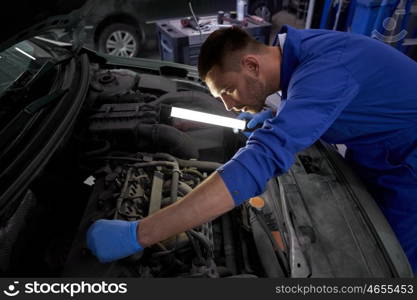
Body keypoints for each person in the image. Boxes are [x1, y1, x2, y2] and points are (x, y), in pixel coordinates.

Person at [86, 25, 417, 274]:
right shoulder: (299, 54)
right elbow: (314, 97)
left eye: (229, 90)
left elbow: (262, 160)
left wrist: (140, 233)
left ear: (251, 65)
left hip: (408, 169)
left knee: (391, 268)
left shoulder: (328, 70)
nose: (230, 107)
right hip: (380, 147)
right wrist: (277, 112)